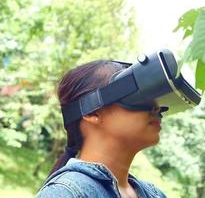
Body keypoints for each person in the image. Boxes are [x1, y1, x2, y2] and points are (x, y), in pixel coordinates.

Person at [36, 60, 167, 198]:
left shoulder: (155, 195)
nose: (156, 108)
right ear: (92, 111)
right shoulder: (66, 193)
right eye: (137, 97)